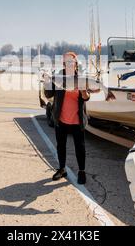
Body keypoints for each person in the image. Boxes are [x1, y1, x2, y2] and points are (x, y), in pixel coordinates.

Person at [44, 52, 91, 185]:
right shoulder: (58, 78)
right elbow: (48, 94)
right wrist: (47, 82)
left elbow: (86, 97)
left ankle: (81, 171)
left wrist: (82, 91)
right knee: (61, 146)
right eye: (67, 62)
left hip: (77, 120)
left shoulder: (81, 78)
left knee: (80, 148)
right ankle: (62, 169)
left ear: (76, 64)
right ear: (63, 64)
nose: (70, 64)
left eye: (72, 62)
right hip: (61, 120)